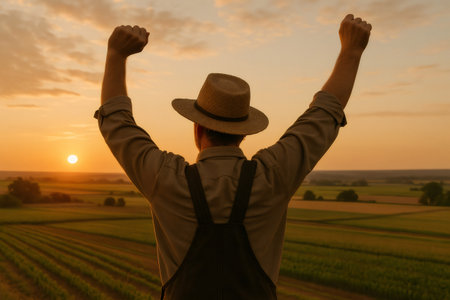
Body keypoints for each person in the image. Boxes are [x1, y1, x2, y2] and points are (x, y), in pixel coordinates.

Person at [95, 14, 371, 300]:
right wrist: (351, 51)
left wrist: (116, 55)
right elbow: (322, 116)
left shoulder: (165, 178)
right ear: (243, 132)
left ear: (197, 127)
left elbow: (117, 124)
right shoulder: (273, 174)